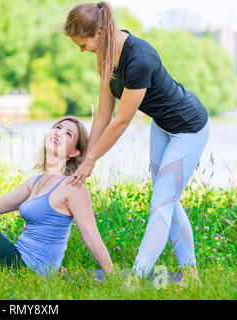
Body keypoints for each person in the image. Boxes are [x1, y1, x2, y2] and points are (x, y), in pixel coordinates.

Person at [62, 2, 209, 285]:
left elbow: (121, 121)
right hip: (163, 125)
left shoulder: (138, 58)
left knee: (162, 202)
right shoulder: (106, 53)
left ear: (101, 31)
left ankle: (135, 280)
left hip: (189, 128)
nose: (81, 50)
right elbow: (103, 114)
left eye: (83, 44)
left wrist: (91, 160)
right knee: (167, 198)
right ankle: (191, 276)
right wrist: (85, 156)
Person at [0, 116, 114, 277]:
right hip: (15, 258)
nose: (59, 133)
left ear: (74, 153)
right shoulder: (34, 182)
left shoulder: (73, 188)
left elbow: (91, 235)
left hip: (29, 270)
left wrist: (113, 276)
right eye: (57, 128)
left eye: (68, 134)